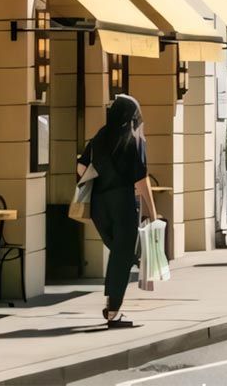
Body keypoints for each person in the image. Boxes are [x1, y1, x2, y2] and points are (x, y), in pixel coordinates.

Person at [77, 95, 157, 327]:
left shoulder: (99, 136)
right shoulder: (134, 140)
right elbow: (141, 181)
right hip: (122, 202)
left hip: (99, 205)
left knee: (118, 253)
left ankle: (112, 302)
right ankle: (113, 311)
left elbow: (81, 167)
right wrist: (152, 213)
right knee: (122, 256)